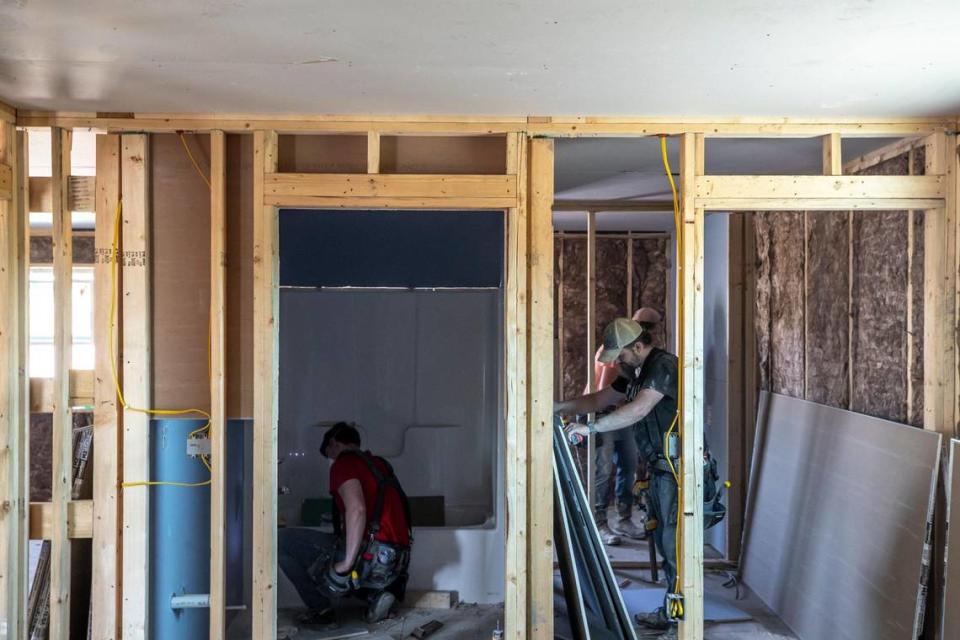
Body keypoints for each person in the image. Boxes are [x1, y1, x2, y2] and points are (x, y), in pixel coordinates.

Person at [555, 318, 680, 638]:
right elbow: (600, 399)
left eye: (621, 355)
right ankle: (671, 613)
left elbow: (638, 410)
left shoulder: (662, 366)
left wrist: (591, 428)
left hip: (677, 468)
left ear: (638, 346)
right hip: (658, 465)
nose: (618, 361)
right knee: (665, 543)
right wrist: (557, 407)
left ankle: (681, 623)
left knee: (675, 544)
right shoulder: (635, 370)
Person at [278, 422, 412, 629]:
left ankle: (321, 610)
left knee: (280, 542)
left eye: (330, 454)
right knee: (337, 544)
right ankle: (373, 595)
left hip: (371, 555)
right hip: (395, 562)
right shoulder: (379, 464)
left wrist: (346, 565)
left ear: (333, 443)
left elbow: (357, 509)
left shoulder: (344, 463)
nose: (332, 460)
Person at [586, 307, 663, 545]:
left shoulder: (644, 354)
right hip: (602, 413)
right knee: (602, 471)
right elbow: (612, 387)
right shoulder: (617, 350)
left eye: (649, 328)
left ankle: (623, 519)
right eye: (641, 326)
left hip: (624, 415)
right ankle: (599, 523)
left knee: (628, 467)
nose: (645, 331)